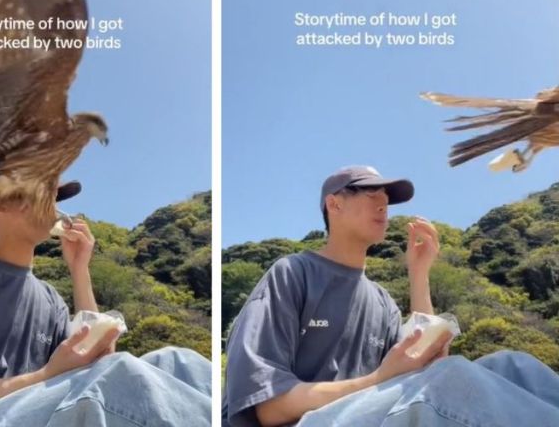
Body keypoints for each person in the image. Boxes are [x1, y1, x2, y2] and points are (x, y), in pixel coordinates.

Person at [222, 165, 559, 426]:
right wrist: (378, 380)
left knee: (512, 366)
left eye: (386, 196)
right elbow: (268, 406)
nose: (383, 203)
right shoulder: (293, 273)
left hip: (372, 413)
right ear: (334, 204)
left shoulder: (382, 301)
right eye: (369, 193)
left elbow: (423, 366)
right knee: (450, 379)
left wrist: (419, 273)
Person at [0, 181, 213, 427]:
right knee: (119, 375)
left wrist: (80, 269)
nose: (54, 208)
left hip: (36, 413)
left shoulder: (50, 300)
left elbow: (97, 361)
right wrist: (48, 374)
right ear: (1, 201)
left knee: (178, 361)